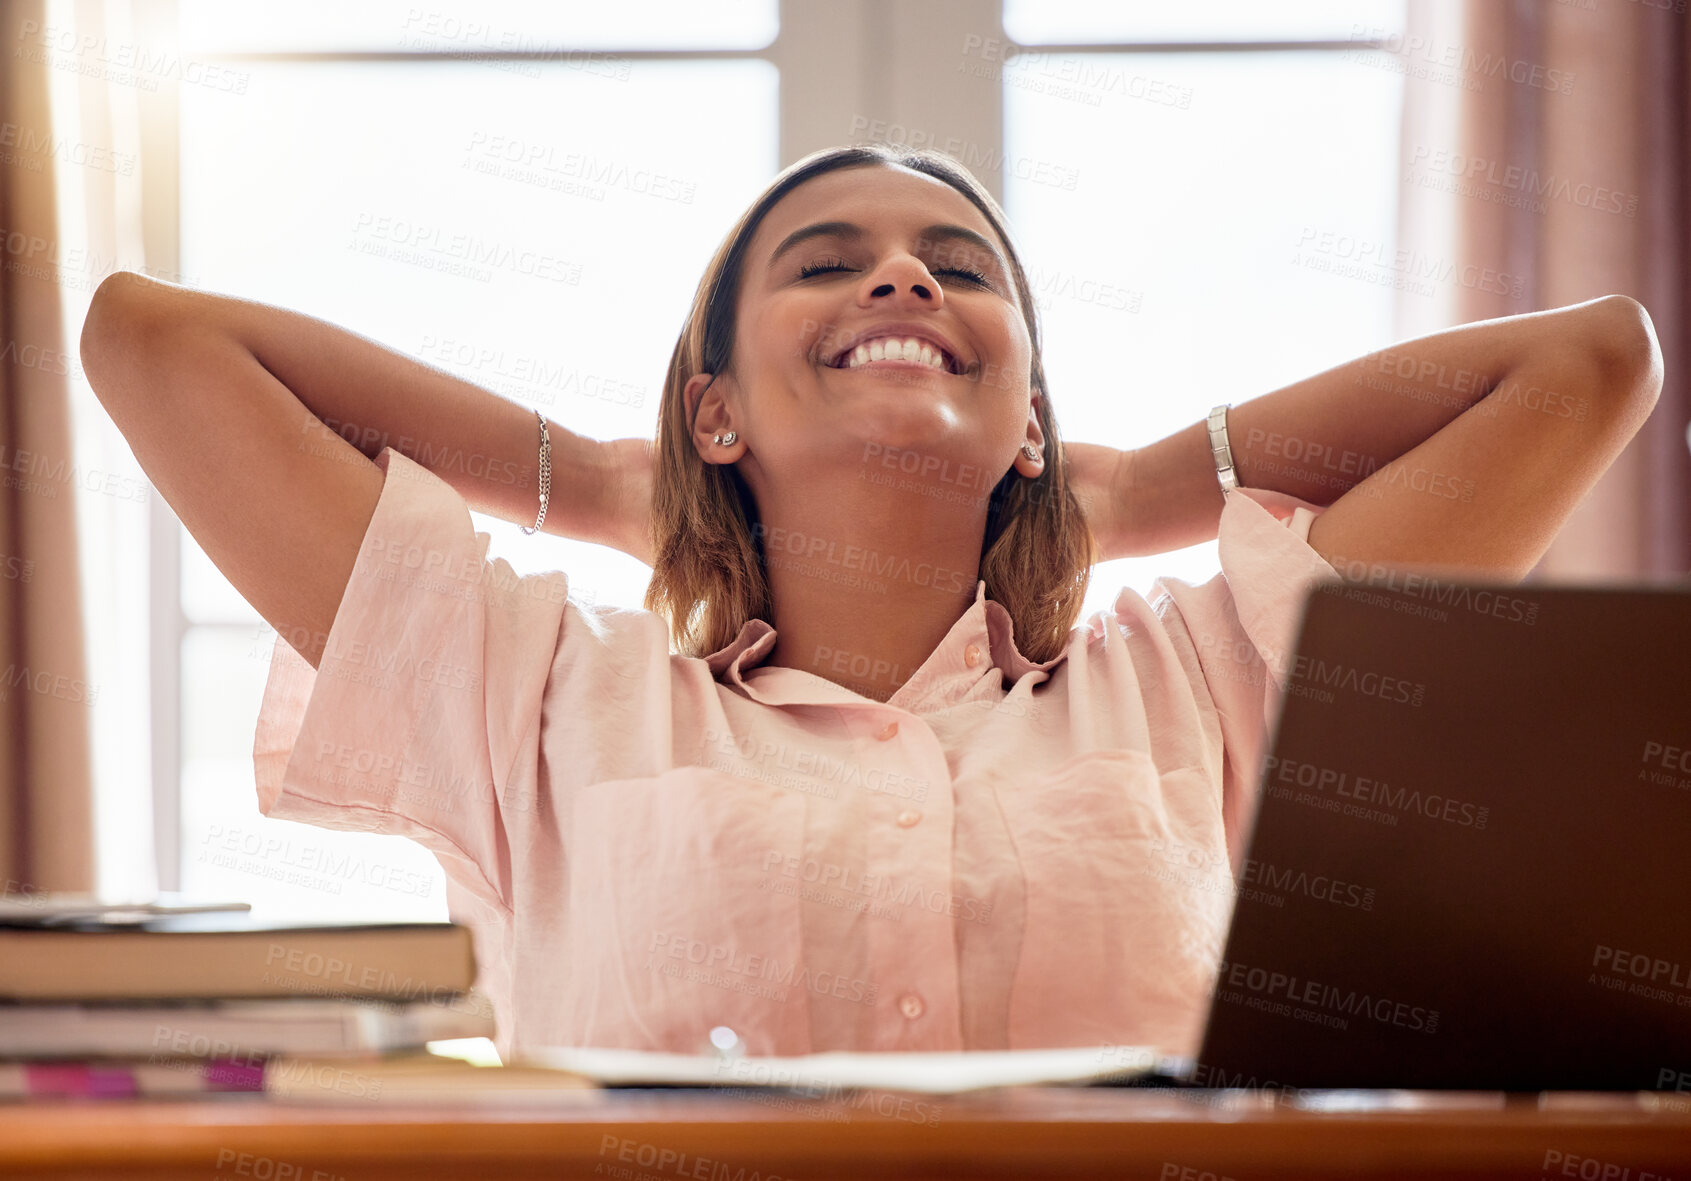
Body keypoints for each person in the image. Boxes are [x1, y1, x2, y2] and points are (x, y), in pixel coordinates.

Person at [79, 143, 1663, 1066]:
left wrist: (1115, 491)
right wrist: (633, 485)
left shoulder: (1212, 678)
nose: (905, 280)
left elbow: (1586, 366)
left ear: (1031, 411)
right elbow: (153, 342)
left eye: (962, 269)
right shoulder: (535, 690)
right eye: (828, 262)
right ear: (712, 406)